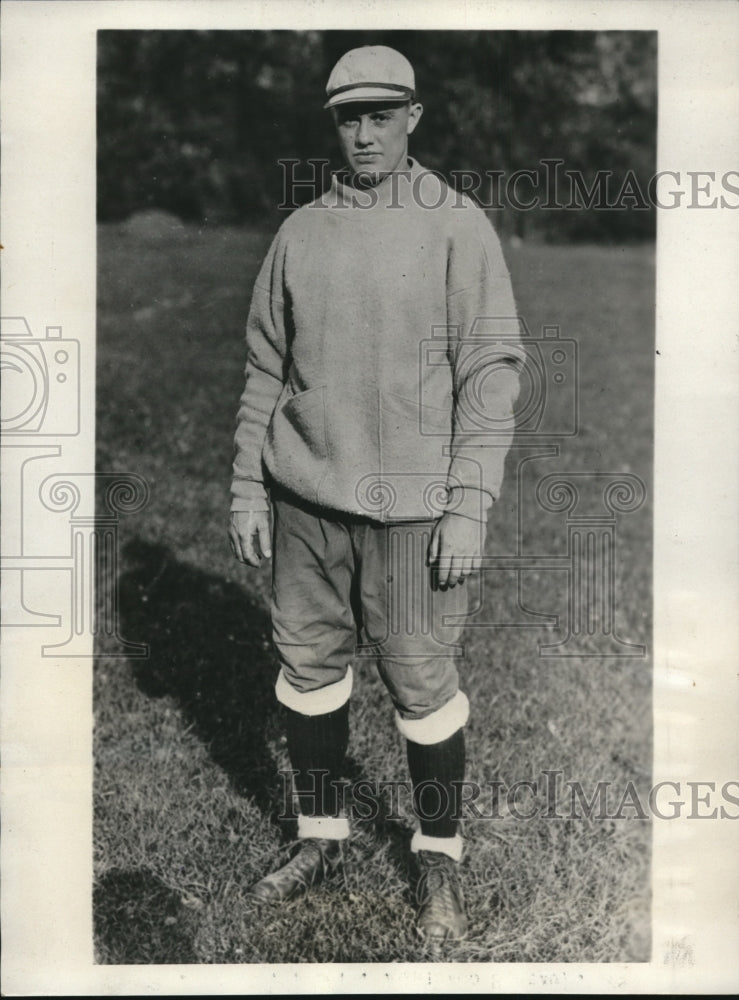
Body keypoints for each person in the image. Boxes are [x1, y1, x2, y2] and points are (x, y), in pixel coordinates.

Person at [228, 44, 524, 944]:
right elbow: (262, 369)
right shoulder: (300, 233)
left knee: (419, 678)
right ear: (334, 126)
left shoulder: (455, 225)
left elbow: (492, 371)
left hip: (415, 511)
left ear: (412, 119)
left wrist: (468, 503)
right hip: (306, 498)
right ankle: (320, 833)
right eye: (348, 119)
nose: (363, 134)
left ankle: (438, 858)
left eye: (380, 117)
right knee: (308, 672)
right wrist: (248, 486)